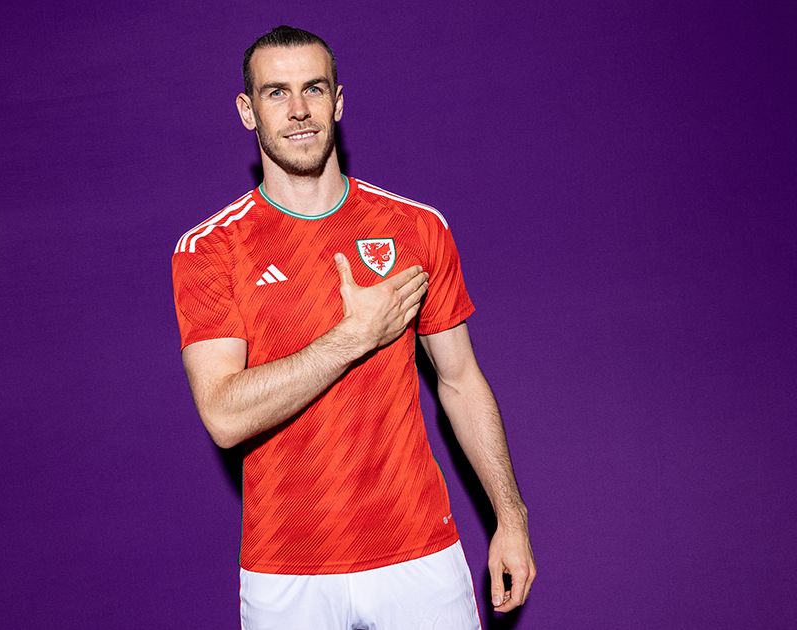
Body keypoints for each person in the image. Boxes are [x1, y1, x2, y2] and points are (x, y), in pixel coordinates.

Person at [171, 25, 536, 629]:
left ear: (338, 101)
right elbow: (225, 415)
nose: (298, 111)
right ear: (247, 111)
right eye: (275, 93)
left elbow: (461, 379)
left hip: (418, 554)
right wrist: (352, 338)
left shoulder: (416, 228)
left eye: (314, 89)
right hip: (285, 572)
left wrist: (511, 516)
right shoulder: (211, 250)